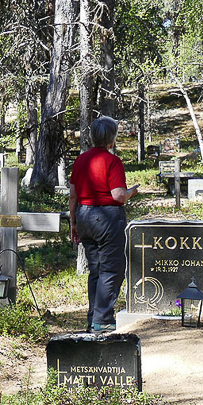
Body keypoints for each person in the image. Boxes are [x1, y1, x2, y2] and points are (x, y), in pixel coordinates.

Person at [69, 116, 138, 333]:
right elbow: (117, 196)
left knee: (96, 270)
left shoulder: (81, 160)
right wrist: (132, 192)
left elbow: (73, 195)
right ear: (112, 139)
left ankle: (94, 318)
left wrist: (73, 222)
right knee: (112, 269)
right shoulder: (112, 161)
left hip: (84, 215)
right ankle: (103, 320)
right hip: (107, 217)